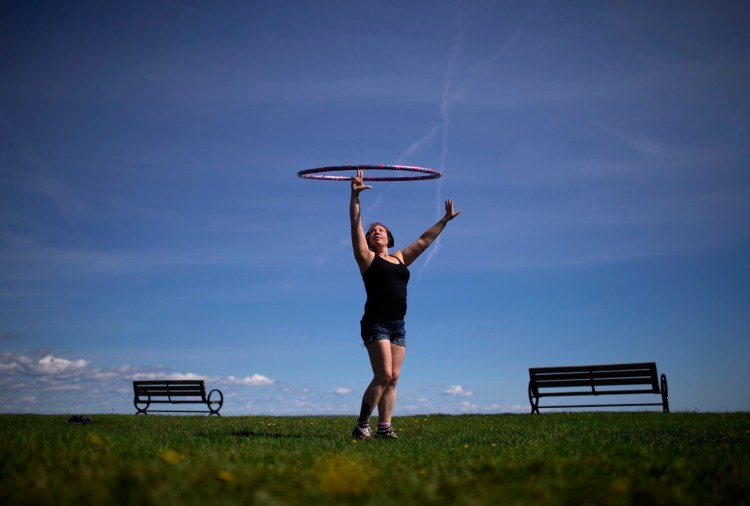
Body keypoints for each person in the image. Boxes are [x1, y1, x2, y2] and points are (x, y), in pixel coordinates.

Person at [349, 169, 461, 439]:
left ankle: (384, 428)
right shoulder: (366, 258)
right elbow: (355, 226)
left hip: (398, 324)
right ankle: (362, 426)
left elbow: (424, 240)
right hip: (375, 322)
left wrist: (445, 220)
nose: (376, 232)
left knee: (394, 378)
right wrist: (354, 197)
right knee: (383, 374)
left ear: (389, 238)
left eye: (381, 230)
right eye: (372, 231)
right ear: (368, 240)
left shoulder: (399, 258)